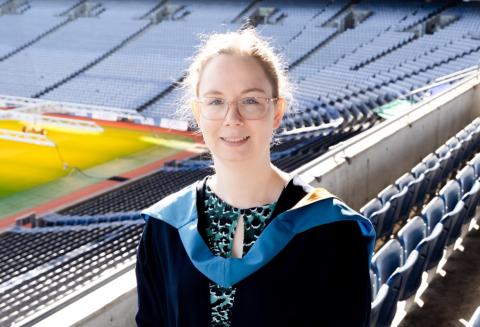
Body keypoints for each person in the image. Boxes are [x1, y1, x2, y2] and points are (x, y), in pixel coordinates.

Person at [135, 28, 375, 327]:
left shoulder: (332, 231)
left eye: (250, 100)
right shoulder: (164, 229)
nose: (232, 118)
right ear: (198, 113)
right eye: (215, 101)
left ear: (277, 111)